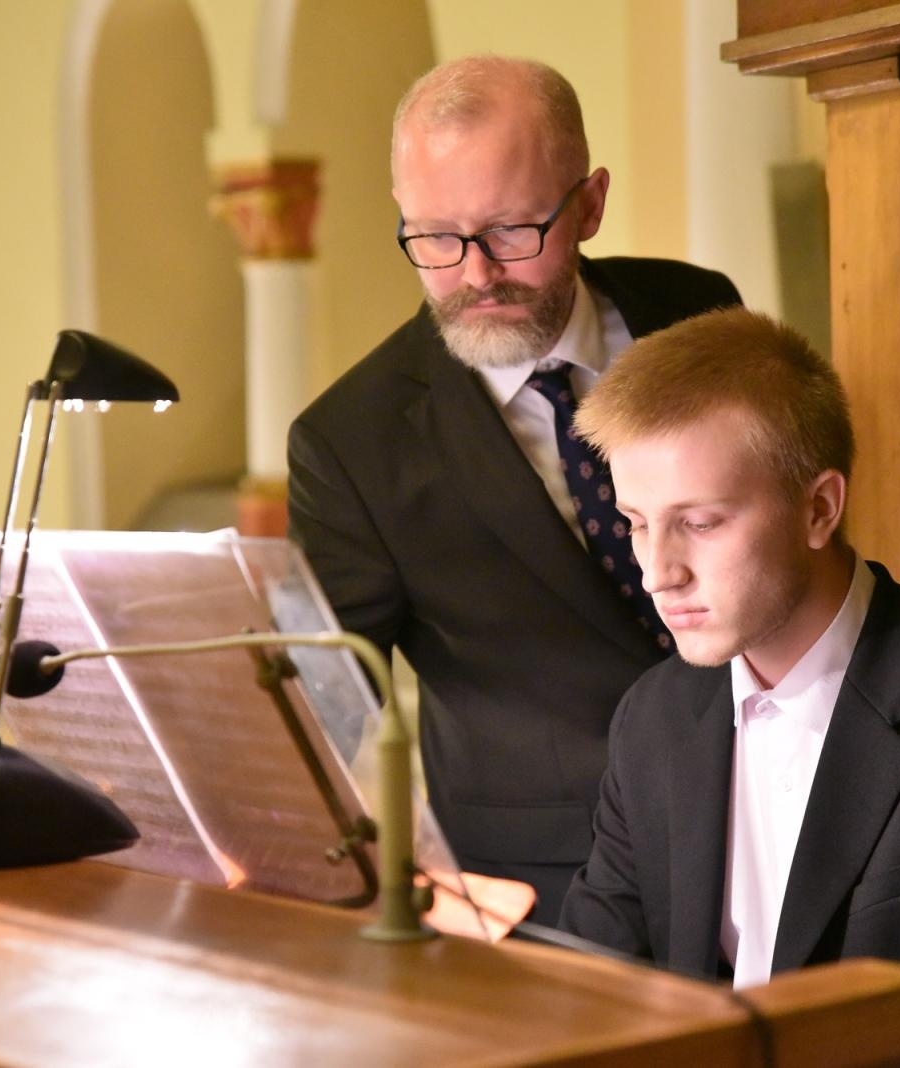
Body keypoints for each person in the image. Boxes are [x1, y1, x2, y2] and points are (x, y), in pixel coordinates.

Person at [557, 307, 900, 1065]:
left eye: (702, 523)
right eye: (635, 522)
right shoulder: (652, 714)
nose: (657, 572)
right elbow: (596, 986)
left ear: (819, 507)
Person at [287, 55, 739, 920]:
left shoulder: (700, 310)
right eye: (434, 239)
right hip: (541, 884)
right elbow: (329, 707)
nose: (474, 275)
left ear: (591, 205)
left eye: (510, 232)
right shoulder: (348, 442)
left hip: (777, 811)